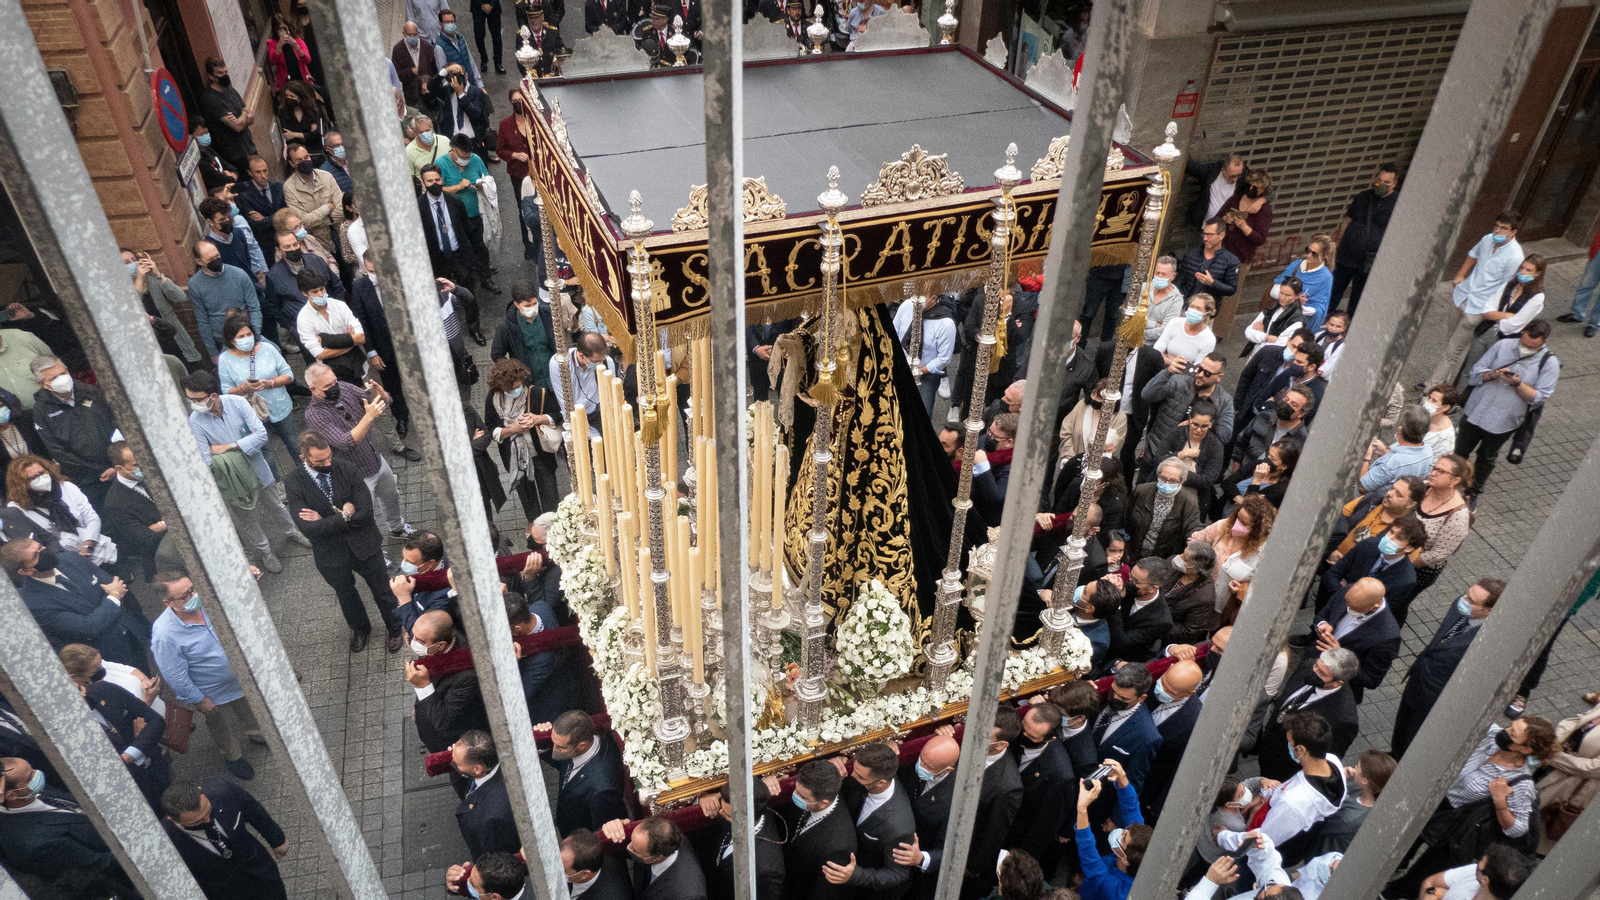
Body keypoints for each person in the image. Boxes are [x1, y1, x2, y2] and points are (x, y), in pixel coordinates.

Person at [1392, 719, 1556, 897]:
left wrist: (1500, 803)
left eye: (1513, 733)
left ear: (1525, 749)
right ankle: (1395, 864)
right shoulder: (1492, 735)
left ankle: (1394, 893)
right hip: (1435, 801)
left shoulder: (1521, 784)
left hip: (1455, 823)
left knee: (1423, 871)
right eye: (1510, 726)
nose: (1505, 731)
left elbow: (1517, 829)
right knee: (1404, 840)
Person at [184, 371, 307, 573]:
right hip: (231, 478)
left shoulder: (237, 403)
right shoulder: (195, 421)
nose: (193, 404)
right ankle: (265, 551)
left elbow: (261, 436)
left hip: (257, 467)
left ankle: (292, 531)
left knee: (276, 505)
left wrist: (226, 447)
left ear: (213, 396)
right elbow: (205, 458)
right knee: (247, 518)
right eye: (189, 399)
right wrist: (240, 447)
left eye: (197, 399)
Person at [148, 571, 263, 779]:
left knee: (248, 709)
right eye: (185, 596)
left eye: (192, 589)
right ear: (168, 602)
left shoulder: (208, 602)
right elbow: (175, 676)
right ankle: (232, 755)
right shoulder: (165, 635)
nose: (193, 596)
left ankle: (256, 734)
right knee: (220, 724)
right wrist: (200, 701)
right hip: (211, 693)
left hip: (240, 678)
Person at [302, 363, 417, 539]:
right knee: (364, 515)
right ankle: (374, 548)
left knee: (392, 497)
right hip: (355, 475)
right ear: (313, 389)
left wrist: (381, 395)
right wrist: (369, 416)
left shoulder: (344, 388)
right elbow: (345, 442)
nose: (334, 387)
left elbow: (381, 402)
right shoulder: (315, 415)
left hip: (376, 460)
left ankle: (397, 528)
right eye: (327, 386)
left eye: (334, 382)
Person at [1391, 579, 1503, 758]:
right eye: (1467, 594)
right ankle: (1394, 754)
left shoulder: (1488, 642)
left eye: (1472, 601)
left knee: (1412, 741)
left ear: (1488, 610)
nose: (1463, 600)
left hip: (1434, 697)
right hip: (1419, 678)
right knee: (1401, 727)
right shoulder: (1460, 606)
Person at [1218, 711, 1347, 863]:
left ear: (1301, 750)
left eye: (1290, 742)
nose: (1288, 746)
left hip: (1259, 859)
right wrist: (1266, 797)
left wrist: (1223, 836)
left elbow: (1261, 840)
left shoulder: (1292, 803)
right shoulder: (1332, 762)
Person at [0, 757, 136, 890]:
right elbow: (97, 864)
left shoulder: (29, 792)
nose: (37, 774)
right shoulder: (35, 843)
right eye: (30, 777)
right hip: (127, 871)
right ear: (11, 795)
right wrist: (139, 847)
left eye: (33, 769)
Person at [1458, 319, 1559, 495]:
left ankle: (1474, 490)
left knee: (1486, 457)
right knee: (1459, 452)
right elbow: (1476, 370)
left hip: (1503, 421)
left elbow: (1538, 398)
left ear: (1544, 343)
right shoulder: (1503, 345)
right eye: (1524, 343)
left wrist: (1518, 384)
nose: (1526, 347)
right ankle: (1449, 482)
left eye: (1532, 347)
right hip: (1475, 410)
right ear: (1522, 332)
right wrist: (1492, 374)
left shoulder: (1549, 364)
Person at [1430, 212, 1526, 385]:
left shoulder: (1515, 256)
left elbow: (1506, 287)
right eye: (1496, 226)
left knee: (1453, 351)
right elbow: (1473, 255)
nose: (1497, 231)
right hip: (1463, 296)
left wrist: (1490, 311)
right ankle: (1443, 381)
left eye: (1503, 228)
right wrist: (1460, 275)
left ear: (1513, 232)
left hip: (1478, 307)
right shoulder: (1487, 239)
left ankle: (1431, 387)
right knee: (1449, 343)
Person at [160, 779, 289, 900]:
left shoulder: (224, 791)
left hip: (261, 872)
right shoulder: (165, 841)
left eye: (208, 810)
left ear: (200, 790)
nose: (208, 820)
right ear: (172, 819)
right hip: (223, 893)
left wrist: (277, 840)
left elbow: (255, 811)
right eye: (197, 821)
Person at [1252, 649, 1359, 782]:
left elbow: (1323, 759)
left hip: (1285, 769)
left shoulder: (1343, 720)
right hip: (1269, 745)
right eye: (1316, 665)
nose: (1314, 671)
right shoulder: (1308, 665)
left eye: (1322, 673)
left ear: (1337, 683)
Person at [825, 742, 915, 899]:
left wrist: (855, 875)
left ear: (881, 783)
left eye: (859, 776)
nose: (852, 777)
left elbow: (897, 874)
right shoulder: (870, 778)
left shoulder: (898, 828)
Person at [217, 312, 299, 476]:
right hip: (252, 414)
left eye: (249, 334)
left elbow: (288, 374)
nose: (247, 338)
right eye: (241, 336)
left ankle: (307, 475)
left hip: (280, 406)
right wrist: (244, 388)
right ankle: (276, 486)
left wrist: (271, 383)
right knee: (265, 452)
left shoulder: (268, 349)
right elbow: (226, 390)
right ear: (231, 339)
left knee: (294, 443)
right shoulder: (225, 359)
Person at [28, 357, 117, 508]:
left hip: (118, 465)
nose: (61, 379)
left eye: (63, 373)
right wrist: (99, 471)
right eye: (54, 378)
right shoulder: (41, 411)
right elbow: (57, 451)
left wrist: (116, 463)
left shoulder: (91, 391)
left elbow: (115, 422)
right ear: (42, 384)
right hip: (88, 479)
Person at [485, 358, 563, 528]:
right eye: (511, 388)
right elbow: (490, 428)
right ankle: (534, 524)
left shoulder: (536, 393)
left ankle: (554, 526)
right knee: (527, 496)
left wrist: (538, 419)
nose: (516, 390)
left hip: (541, 455)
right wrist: (512, 430)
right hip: (515, 459)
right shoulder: (493, 398)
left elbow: (557, 415)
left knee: (549, 493)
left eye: (518, 384)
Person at [1458, 254, 1547, 389]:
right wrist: (1507, 314)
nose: (1523, 272)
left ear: (1537, 273)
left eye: (1529, 270)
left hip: (1503, 340)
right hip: (1485, 331)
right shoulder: (1509, 286)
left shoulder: (1537, 297)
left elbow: (1514, 325)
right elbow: (1486, 311)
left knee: (1489, 372)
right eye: (1522, 268)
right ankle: (1457, 398)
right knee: (1469, 367)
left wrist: (1494, 315)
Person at [1311, 576, 1401, 703]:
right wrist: (1322, 624)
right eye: (1347, 602)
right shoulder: (1349, 592)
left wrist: (1341, 656)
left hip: (1332, 689)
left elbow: (1371, 680)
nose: (1347, 607)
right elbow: (1323, 614)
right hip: (1312, 661)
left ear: (1373, 608)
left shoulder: (1387, 637)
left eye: (1353, 607)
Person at [1320, 517, 1424, 626]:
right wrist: (1345, 595)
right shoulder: (1368, 545)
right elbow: (1331, 574)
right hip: (1331, 608)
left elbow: (1380, 612)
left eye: (1398, 538)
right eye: (1391, 532)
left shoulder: (1406, 580)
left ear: (1408, 548)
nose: (1389, 538)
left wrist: (1346, 594)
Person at [696, 776, 786, 900]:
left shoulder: (767, 869)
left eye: (728, 815)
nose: (720, 813)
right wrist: (703, 797)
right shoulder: (748, 808)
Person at [779, 760, 857, 900]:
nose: (795, 795)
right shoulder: (812, 798)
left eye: (802, 796)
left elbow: (824, 893)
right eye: (796, 790)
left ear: (823, 803)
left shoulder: (837, 846)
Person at [1535, 692, 1600, 854]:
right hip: (1553, 767)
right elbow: (1577, 720)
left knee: (1541, 823)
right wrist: (1555, 742)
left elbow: (1593, 768)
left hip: (1572, 785)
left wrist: (1553, 756)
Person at [1329, 163, 1399, 315]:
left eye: (1387, 182)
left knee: (1358, 298)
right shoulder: (1363, 197)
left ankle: (1348, 328)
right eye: (1380, 180)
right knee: (1333, 292)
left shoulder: (1398, 204)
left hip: (1369, 261)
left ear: (1394, 183)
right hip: (1346, 256)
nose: (1382, 184)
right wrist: (1338, 244)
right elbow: (1347, 221)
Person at [1072, 764, 1148, 900]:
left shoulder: (1116, 892)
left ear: (1125, 859)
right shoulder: (1140, 849)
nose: (1120, 832)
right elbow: (1131, 809)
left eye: (1123, 838)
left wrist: (1082, 809)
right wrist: (1122, 779)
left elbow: (1089, 857)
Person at [1140, 660, 1204, 818]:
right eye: (1164, 683)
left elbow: (1179, 768)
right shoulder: (1155, 683)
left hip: (1148, 781)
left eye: (1172, 692)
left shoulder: (1193, 722)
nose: (1163, 690)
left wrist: (1157, 805)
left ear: (1190, 693)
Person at [506, 589, 581, 723]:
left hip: (548, 704)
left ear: (517, 628)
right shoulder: (541, 607)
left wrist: (512, 665)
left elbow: (521, 693)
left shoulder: (542, 660)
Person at [551, 709, 629, 836]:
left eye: (560, 747)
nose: (554, 749)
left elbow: (604, 834)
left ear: (582, 746)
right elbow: (558, 759)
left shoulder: (602, 791)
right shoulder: (596, 740)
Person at [1141, 351, 1234, 456]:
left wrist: (1202, 424)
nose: (1200, 374)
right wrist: (1167, 373)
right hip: (1156, 449)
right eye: (1199, 369)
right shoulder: (1179, 381)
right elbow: (1147, 395)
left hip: (1188, 460)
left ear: (1219, 377)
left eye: (1207, 373)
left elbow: (1226, 435)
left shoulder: (1224, 401)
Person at [100, 442, 167, 583]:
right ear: (119, 468)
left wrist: (158, 526)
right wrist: (168, 523)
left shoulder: (155, 475)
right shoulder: (114, 502)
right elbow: (145, 539)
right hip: (162, 562)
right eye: (136, 464)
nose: (142, 466)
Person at [419, 163, 489, 298]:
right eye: (430, 181)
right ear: (423, 183)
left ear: (442, 180)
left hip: (459, 256)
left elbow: (465, 226)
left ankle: (472, 319)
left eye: (437, 180)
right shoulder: (419, 207)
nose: (434, 184)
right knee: (441, 297)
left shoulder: (455, 200)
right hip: (437, 259)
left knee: (468, 295)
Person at [448, 729, 519, 859]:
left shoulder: (491, 816)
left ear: (477, 769)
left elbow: (490, 854)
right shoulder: (490, 766)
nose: (454, 765)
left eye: (457, 764)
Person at [1191, 494, 1273, 601]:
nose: (1237, 524)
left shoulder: (1263, 552)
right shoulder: (1223, 526)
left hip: (1224, 604)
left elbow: (1263, 587)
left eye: (1244, 523)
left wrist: (1241, 590)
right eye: (1238, 517)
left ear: (1258, 529)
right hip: (1197, 594)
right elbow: (1195, 540)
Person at [1094, 666, 1162, 794]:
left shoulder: (1147, 736)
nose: (1115, 698)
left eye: (1124, 698)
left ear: (1141, 698)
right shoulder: (1101, 697)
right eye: (1113, 691)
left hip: (1099, 795)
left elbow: (1133, 782)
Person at [1413, 454, 1473, 594]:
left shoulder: (1458, 515)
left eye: (1441, 471)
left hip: (1418, 569)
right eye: (1434, 468)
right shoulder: (1425, 488)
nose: (1433, 473)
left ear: (1455, 480)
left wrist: (1400, 564)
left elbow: (1437, 554)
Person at [1140, 402, 1224, 501]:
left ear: (1211, 424)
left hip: (1192, 495)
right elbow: (1158, 459)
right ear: (1189, 419)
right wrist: (1182, 454)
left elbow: (1208, 480)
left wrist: (1172, 471)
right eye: (1195, 424)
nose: (1198, 430)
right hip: (1163, 488)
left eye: (1204, 426)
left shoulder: (1216, 446)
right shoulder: (1176, 433)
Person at [1126, 458, 1203, 561]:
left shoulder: (1189, 502)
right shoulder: (1142, 491)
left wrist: (1195, 539)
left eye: (1173, 481)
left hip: (1162, 559)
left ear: (1181, 481)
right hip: (1132, 553)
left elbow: (1193, 526)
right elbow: (1125, 518)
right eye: (1163, 478)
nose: (1167, 483)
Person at [1231, 386, 1313, 482]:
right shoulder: (1264, 416)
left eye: (1293, 405)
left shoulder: (1304, 441)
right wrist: (1236, 467)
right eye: (1286, 399)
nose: (1286, 405)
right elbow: (1242, 441)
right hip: (1240, 477)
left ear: (1301, 413)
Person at [1359, 404, 1438, 497]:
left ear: (1400, 429)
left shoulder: (1389, 464)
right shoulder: (1428, 452)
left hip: (1367, 501)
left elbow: (1362, 487)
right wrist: (1386, 451)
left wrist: (1367, 458)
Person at [282, 141, 343, 257]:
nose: (305, 161)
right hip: (318, 246)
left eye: (306, 157)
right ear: (292, 164)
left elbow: (341, 209)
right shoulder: (289, 188)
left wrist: (323, 221)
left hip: (339, 237)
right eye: (299, 160)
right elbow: (303, 222)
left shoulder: (326, 176)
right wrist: (327, 208)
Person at [197, 58, 256, 173]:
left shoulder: (230, 90)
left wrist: (241, 117)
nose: (224, 75)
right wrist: (244, 115)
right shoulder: (211, 99)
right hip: (235, 155)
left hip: (249, 147)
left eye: (225, 72)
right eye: (219, 73)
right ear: (211, 77)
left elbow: (251, 117)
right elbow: (237, 127)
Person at [1110, 558, 1173, 665]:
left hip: (1125, 658)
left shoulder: (1161, 621)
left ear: (1152, 588)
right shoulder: (1132, 586)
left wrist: (1116, 602)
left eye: (1135, 581)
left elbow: (1121, 641)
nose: (1129, 581)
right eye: (1130, 575)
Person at [560, 828, 635, 900]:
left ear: (585, 874)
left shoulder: (610, 896)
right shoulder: (591, 848)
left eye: (563, 870)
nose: (556, 870)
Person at [1243, 276, 1306, 358]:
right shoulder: (1272, 307)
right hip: (1254, 353)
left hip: (1267, 359)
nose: (1282, 297)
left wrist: (1260, 334)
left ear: (1297, 296)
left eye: (1287, 295)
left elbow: (1279, 345)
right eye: (1281, 293)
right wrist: (1266, 337)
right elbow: (1248, 331)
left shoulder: (1297, 321)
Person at [1152, 295, 1217, 368]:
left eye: (1198, 309)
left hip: (1184, 374)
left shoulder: (1209, 339)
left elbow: (1198, 368)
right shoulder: (1175, 322)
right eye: (1192, 306)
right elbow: (1158, 349)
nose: (1193, 310)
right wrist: (1170, 362)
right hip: (1162, 364)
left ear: (1206, 314)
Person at [394, 22, 441, 108]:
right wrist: (411, 71)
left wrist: (428, 83)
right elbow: (397, 74)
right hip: (411, 98)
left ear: (418, 33)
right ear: (404, 34)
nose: (412, 37)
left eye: (414, 34)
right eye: (409, 34)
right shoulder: (398, 49)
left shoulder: (428, 48)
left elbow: (435, 71)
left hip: (428, 97)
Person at [1141, 256, 1187, 343]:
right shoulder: (1144, 288)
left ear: (1172, 276)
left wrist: (1141, 334)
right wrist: (1155, 324)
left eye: (1164, 274)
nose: (1160, 276)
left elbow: (1166, 329)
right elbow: (1132, 315)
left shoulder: (1176, 299)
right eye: (1157, 273)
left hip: (1153, 346)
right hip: (1130, 339)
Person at [434, 9, 481, 90]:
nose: (450, 24)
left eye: (452, 21)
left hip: (471, 85)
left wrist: (480, 85)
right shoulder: (439, 47)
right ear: (441, 24)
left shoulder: (461, 39)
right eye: (447, 22)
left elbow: (471, 62)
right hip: (457, 89)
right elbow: (443, 73)